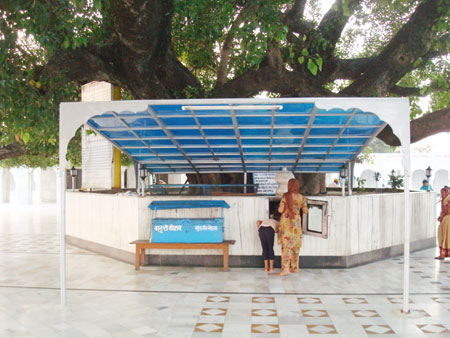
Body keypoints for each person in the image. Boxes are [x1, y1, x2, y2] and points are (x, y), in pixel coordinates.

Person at [277, 178, 308, 276]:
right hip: (297, 224)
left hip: (287, 224)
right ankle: (294, 267)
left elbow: (280, 210)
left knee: (286, 246)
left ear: (289, 186)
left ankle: (285, 269)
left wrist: (283, 204)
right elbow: (305, 211)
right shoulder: (302, 198)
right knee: (295, 246)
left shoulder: (286, 196)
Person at [435, 186, 450, 259]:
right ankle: (443, 254)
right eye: (441, 193)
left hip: (448, 221)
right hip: (444, 221)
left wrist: (442, 215)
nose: (442, 194)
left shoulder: (448, 199)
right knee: (443, 236)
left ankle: (445, 254)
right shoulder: (444, 199)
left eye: (444, 192)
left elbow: (447, 210)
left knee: (447, 237)